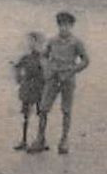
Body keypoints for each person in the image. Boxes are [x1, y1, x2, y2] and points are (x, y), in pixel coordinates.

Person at [30, 11, 89, 155]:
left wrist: (72, 70)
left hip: (67, 79)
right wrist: (47, 68)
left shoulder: (76, 42)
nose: (64, 28)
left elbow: (85, 60)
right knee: (43, 109)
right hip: (53, 78)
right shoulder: (52, 41)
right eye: (61, 25)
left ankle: (64, 140)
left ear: (71, 26)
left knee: (66, 110)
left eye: (67, 25)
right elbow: (44, 56)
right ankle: (40, 138)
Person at [11, 32, 46, 150]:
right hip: (27, 89)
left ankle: (41, 139)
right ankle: (24, 139)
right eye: (30, 41)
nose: (32, 44)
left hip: (39, 88)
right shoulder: (26, 58)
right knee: (26, 115)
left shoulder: (43, 58)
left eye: (35, 42)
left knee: (41, 113)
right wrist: (18, 78)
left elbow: (47, 71)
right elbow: (16, 67)